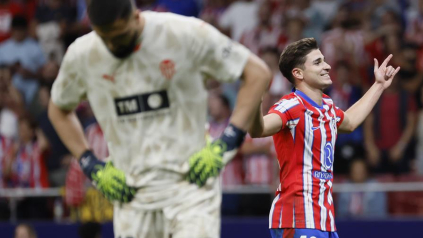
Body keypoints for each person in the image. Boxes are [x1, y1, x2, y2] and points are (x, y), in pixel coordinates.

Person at [48, 1, 271, 238]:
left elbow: (256, 73)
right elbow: (58, 108)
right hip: (132, 196)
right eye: (106, 38)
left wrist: (227, 141)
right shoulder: (84, 54)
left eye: (120, 35)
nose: (114, 44)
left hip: (191, 189)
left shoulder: (183, 33)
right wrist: (90, 164)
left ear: (136, 17)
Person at [248, 38, 399, 238]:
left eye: (324, 60)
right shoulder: (290, 105)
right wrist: (254, 99)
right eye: (318, 62)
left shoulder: (328, 106)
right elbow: (259, 130)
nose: (327, 66)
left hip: (324, 218)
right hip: (297, 215)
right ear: (298, 73)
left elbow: (351, 121)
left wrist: (378, 85)